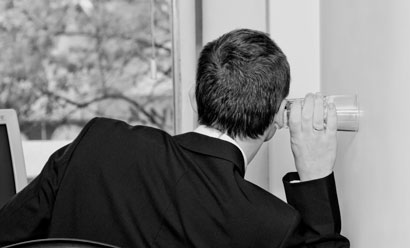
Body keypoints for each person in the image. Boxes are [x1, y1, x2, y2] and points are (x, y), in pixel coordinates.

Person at [0, 29, 349, 247]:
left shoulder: (97, 143)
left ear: (193, 99)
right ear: (275, 123)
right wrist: (315, 176)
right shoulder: (270, 225)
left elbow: (8, 232)